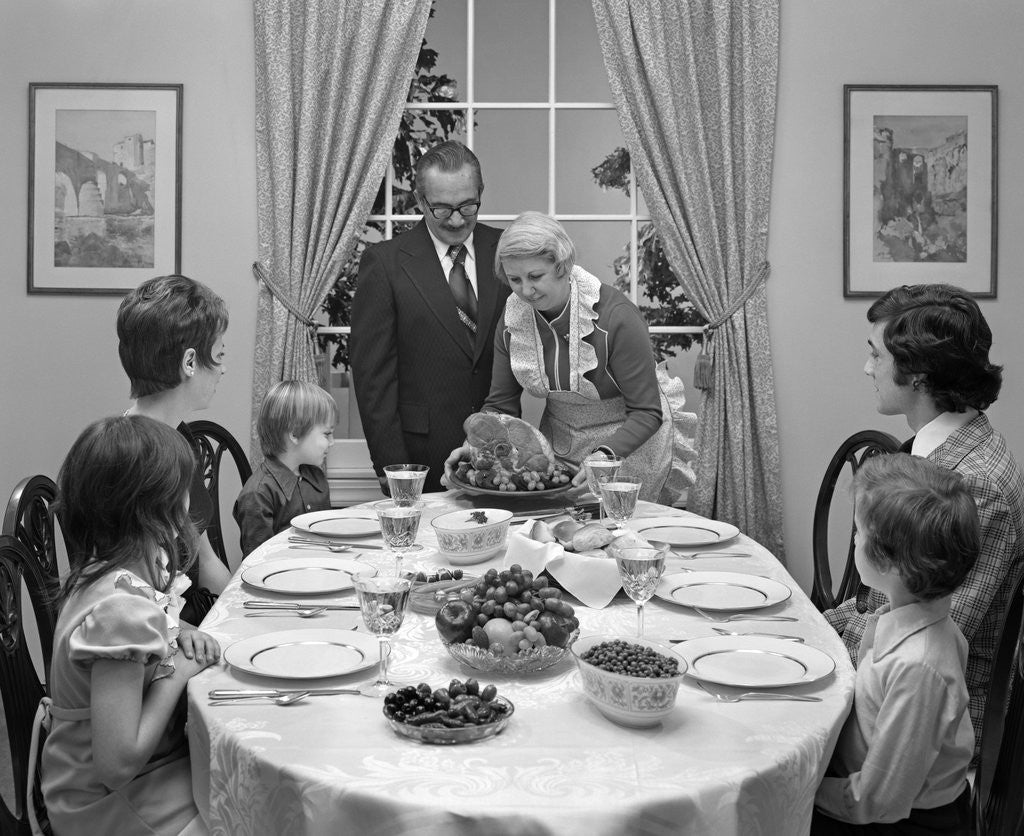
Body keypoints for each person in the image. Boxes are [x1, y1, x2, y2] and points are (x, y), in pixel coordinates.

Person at [824, 283, 1024, 753]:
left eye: (876, 355)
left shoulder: (974, 486)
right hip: (890, 682)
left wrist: (815, 629)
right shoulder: (936, 448)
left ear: (916, 373)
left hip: (932, 726)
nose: (867, 368)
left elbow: (925, 636)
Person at [41, 415, 220, 836]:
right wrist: (176, 672)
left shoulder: (105, 576)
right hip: (110, 805)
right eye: (182, 494)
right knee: (250, 807)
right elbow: (117, 763)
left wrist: (176, 633)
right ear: (154, 509)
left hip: (93, 782)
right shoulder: (122, 611)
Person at [445, 211, 691, 503]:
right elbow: (501, 405)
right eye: (515, 279)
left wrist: (603, 458)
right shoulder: (513, 319)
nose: (526, 290)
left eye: (536, 276)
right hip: (563, 445)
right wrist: (475, 447)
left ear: (563, 266)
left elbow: (647, 412)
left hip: (632, 447)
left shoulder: (616, 317)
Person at [813, 453, 976, 834]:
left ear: (890, 564)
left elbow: (880, 798)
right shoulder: (905, 618)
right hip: (873, 793)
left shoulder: (918, 667)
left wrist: (803, 787)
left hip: (904, 821)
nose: (854, 538)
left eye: (859, 532)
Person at [350, 140, 510, 494]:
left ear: (480, 193)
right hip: (418, 458)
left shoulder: (506, 251)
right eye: (441, 209)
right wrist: (391, 468)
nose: (456, 220)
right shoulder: (385, 264)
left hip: (499, 458)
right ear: (421, 201)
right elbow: (373, 377)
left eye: (468, 206)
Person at [117, 273, 232, 624]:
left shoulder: (177, 437)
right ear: (190, 362)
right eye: (220, 354)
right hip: (150, 646)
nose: (224, 369)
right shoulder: (132, 459)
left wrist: (240, 616)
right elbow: (126, 595)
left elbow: (206, 561)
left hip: (191, 620)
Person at [233, 380, 335, 556]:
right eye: (326, 434)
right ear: (295, 434)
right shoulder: (258, 495)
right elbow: (258, 563)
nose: (332, 442)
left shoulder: (316, 478)